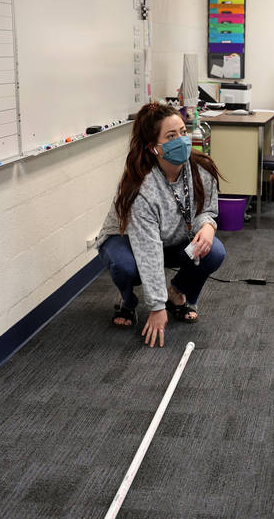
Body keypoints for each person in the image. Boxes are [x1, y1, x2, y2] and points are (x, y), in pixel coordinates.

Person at [95, 102, 226, 347]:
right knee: (128, 268)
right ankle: (128, 302)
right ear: (154, 148)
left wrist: (208, 225)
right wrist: (156, 308)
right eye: (171, 136)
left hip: (173, 238)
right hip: (126, 240)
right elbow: (147, 249)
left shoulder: (201, 169)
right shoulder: (141, 188)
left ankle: (177, 292)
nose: (182, 140)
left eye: (183, 132)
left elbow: (205, 210)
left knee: (214, 251)